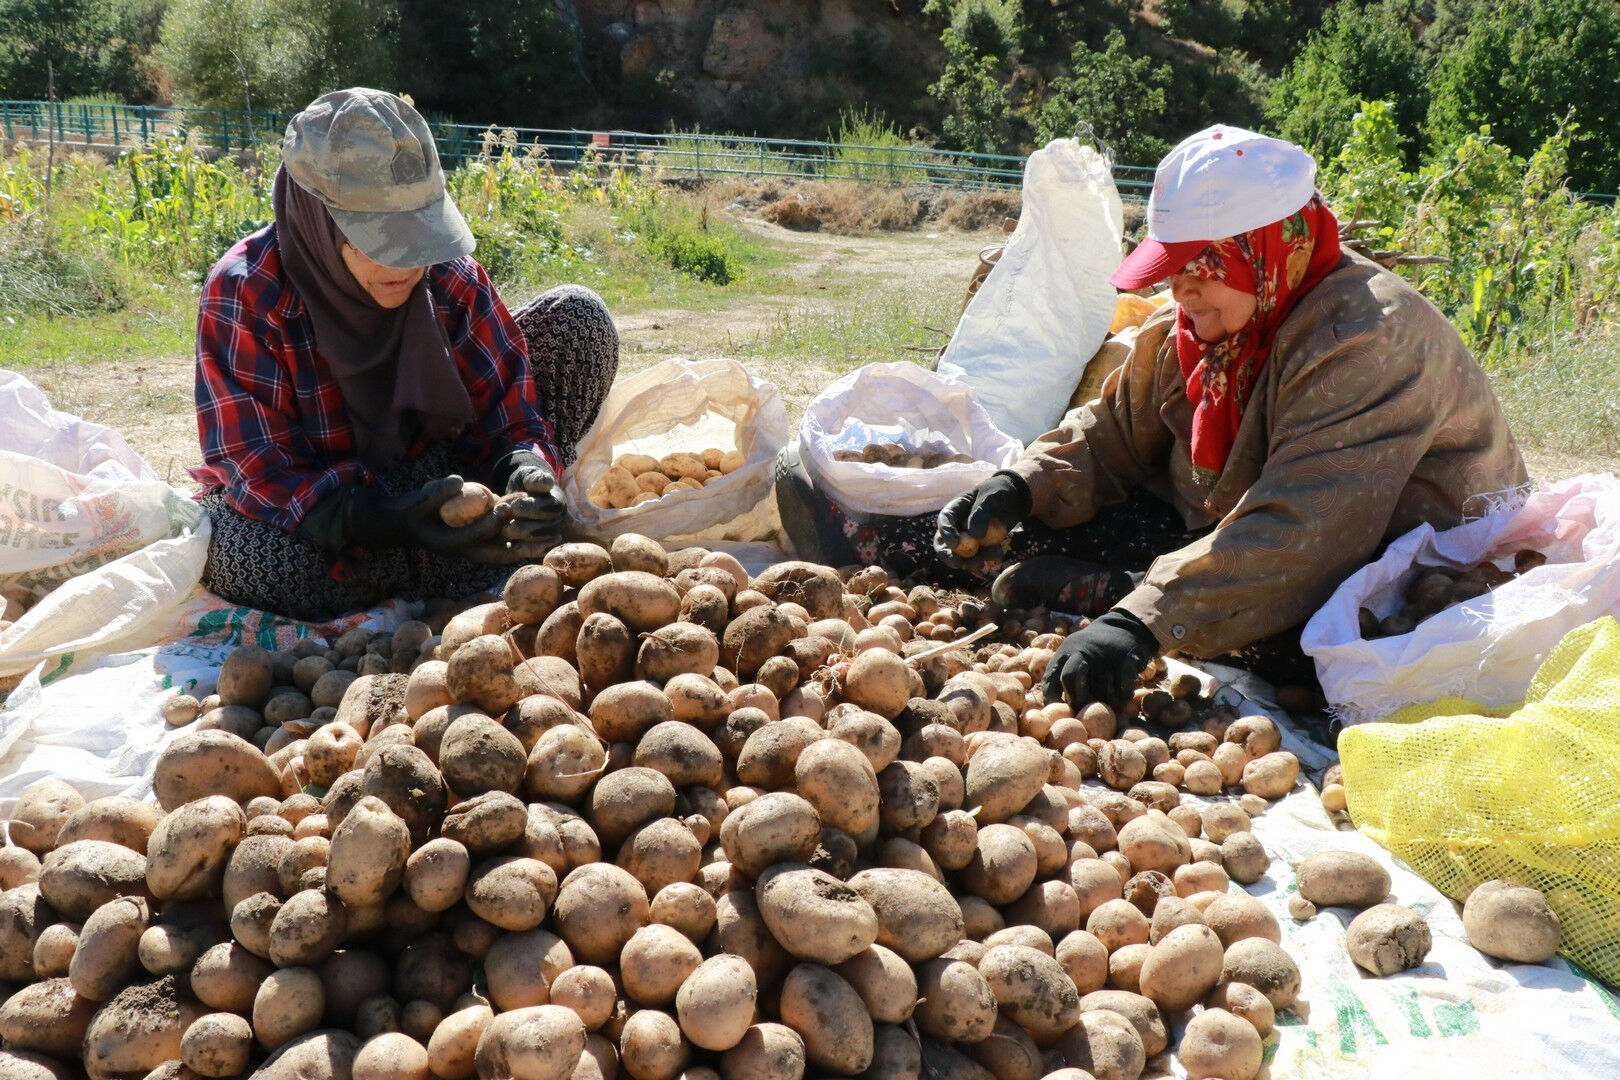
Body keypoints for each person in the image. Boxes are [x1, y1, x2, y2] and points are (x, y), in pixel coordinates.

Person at [934, 125, 1527, 708]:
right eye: (1172, 268)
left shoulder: (1366, 337)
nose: (1179, 290)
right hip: (1267, 524)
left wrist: (1139, 624)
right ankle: (1150, 589)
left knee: (1342, 643)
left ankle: (1135, 591)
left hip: (1399, 555)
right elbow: (1113, 429)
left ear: (1264, 250)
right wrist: (1018, 485)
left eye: (1200, 268)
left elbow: (1308, 529)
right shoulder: (1214, 318)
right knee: (1041, 524)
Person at [191, 88, 618, 620]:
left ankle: (467, 545)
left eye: (417, 235)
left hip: (445, 477)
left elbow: (509, 406)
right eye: (380, 239)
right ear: (315, 219)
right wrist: (384, 520)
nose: (408, 264)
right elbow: (258, 469)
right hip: (338, 510)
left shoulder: (445, 274)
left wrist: (524, 468)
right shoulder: (247, 293)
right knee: (249, 557)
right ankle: (444, 559)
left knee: (580, 318)